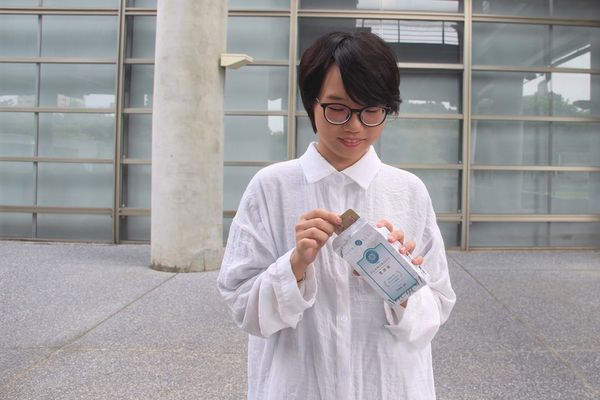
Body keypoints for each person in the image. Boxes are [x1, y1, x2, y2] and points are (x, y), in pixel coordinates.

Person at [218, 31, 456, 400]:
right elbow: (241, 304)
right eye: (337, 108)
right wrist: (295, 266)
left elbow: (437, 308)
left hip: (389, 387)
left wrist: (400, 284)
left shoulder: (408, 191)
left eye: (371, 109)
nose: (355, 125)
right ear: (311, 103)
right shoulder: (271, 187)